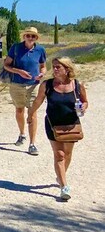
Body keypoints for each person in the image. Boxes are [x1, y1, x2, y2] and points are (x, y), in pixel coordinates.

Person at [28, 57, 88, 201]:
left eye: (58, 67)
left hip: (71, 125)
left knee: (67, 154)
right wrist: (30, 115)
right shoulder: (47, 85)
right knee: (59, 154)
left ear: (67, 69)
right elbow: (37, 101)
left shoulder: (78, 85)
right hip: (53, 124)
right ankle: (64, 187)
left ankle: (60, 176)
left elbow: (85, 101)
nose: (54, 69)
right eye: (53, 67)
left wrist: (83, 108)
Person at [3, 26, 46, 155]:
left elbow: (43, 67)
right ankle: (22, 134)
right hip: (16, 84)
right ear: (24, 36)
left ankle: (32, 144)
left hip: (33, 85)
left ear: (36, 38)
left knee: (32, 113)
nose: (30, 38)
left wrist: (42, 74)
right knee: (19, 110)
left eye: (33, 36)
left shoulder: (40, 50)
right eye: (28, 35)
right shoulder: (15, 48)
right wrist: (19, 71)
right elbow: (6, 65)